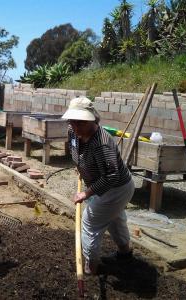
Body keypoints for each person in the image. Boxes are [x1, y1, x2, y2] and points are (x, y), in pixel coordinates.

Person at [62, 97, 135, 275]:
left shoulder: (102, 143)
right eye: (73, 121)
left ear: (92, 119)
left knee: (90, 222)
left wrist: (86, 194)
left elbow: (111, 176)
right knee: (115, 219)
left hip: (116, 188)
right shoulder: (72, 130)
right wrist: (81, 167)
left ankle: (90, 266)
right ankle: (125, 254)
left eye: (81, 123)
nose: (76, 127)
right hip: (102, 184)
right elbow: (76, 149)